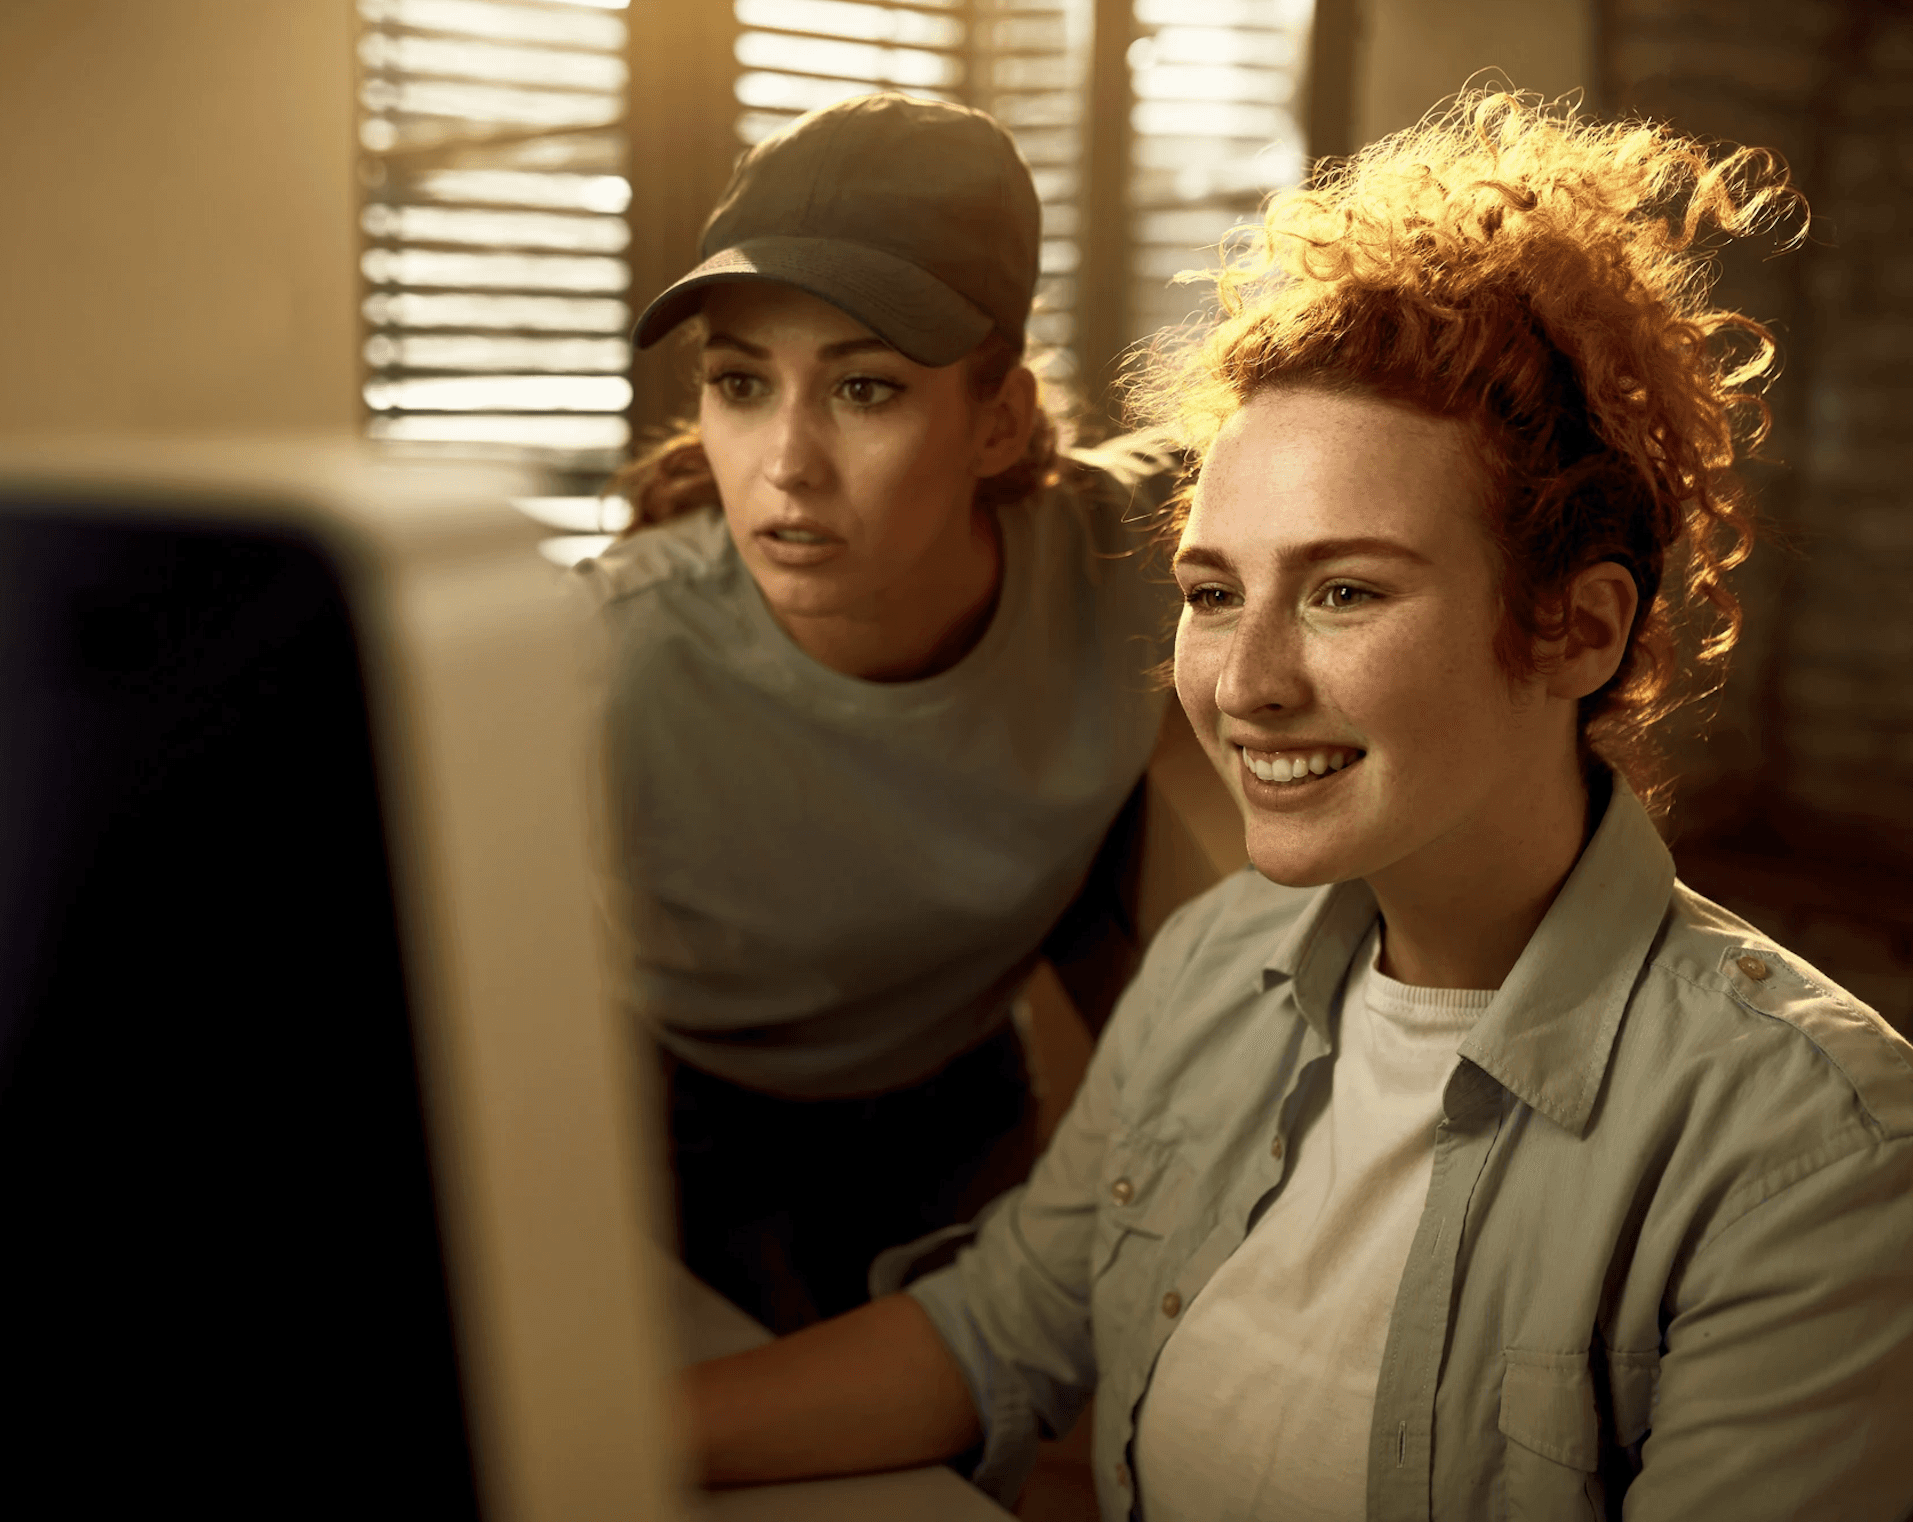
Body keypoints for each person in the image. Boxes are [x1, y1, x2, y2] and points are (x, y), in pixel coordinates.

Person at [680, 92, 1913, 1518]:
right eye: (1212, 593)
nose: (1245, 685)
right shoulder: (1215, 968)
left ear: (1576, 629)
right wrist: (571, 1435)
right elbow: (997, 1323)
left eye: (1343, 591)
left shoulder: (1810, 1150)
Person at [578, 93, 1184, 1333]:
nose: (785, 463)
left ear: (996, 421)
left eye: (862, 389)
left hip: (957, 1093)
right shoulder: (602, 654)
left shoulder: (1134, 548)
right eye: (740, 383)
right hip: (672, 1115)